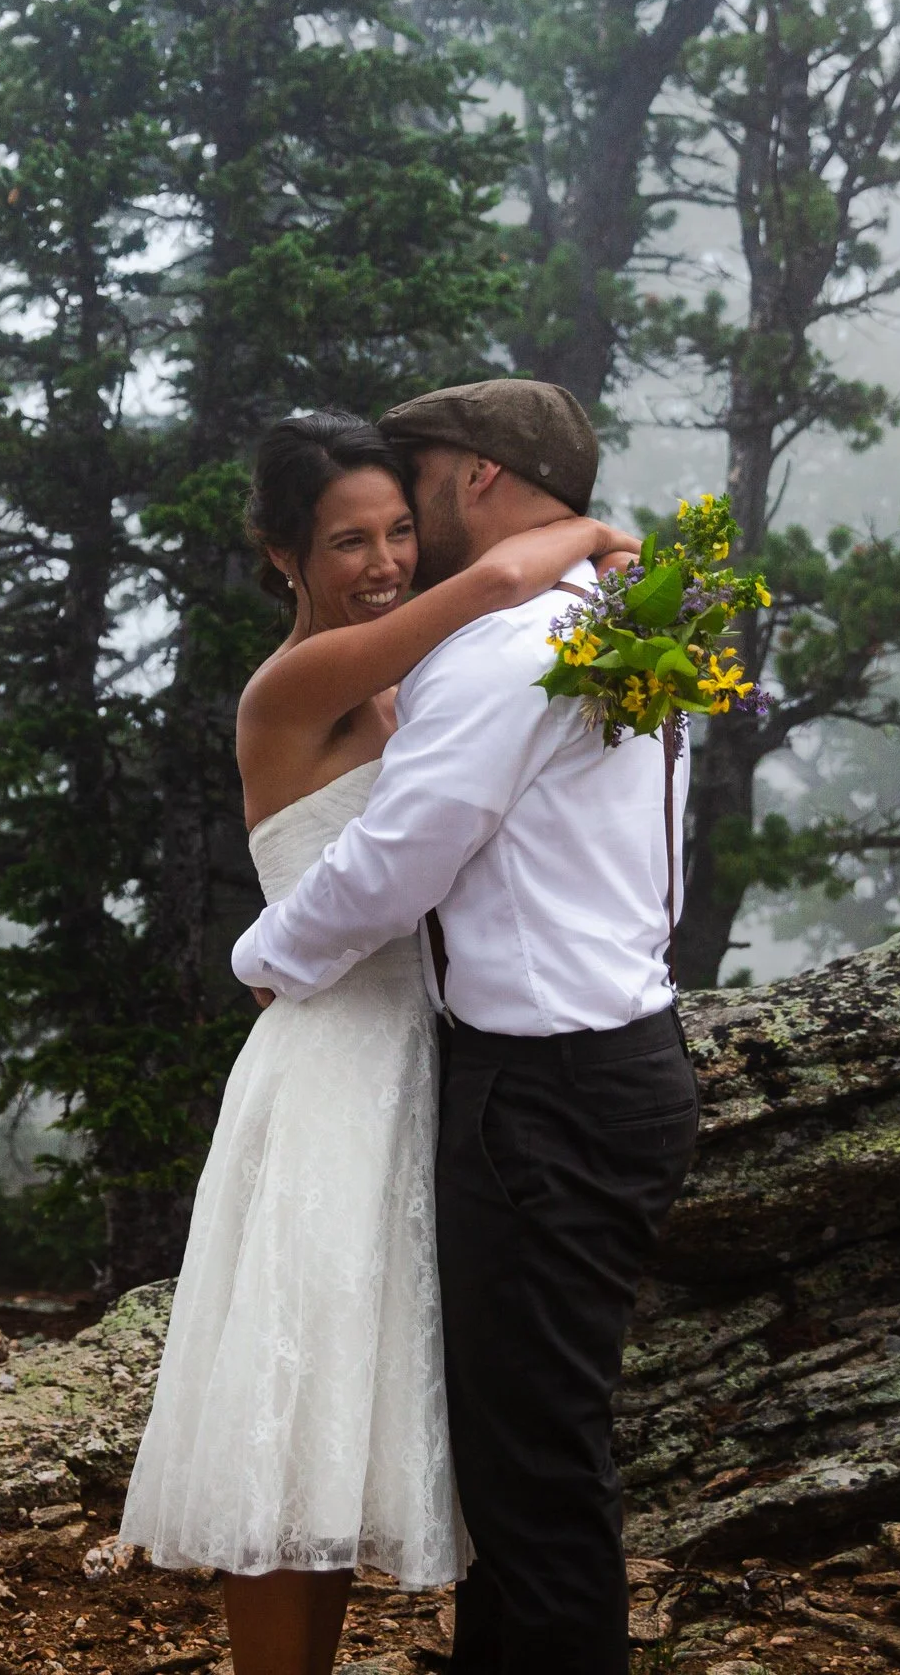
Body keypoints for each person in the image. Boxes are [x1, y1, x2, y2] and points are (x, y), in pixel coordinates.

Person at [118, 409, 636, 1675]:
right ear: (283, 554)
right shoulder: (299, 682)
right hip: (330, 1080)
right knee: (288, 1433)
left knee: (345, 1427)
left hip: (422, 1066)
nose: (387, 559)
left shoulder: (404, 677)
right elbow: (505, 576)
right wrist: (598, 533)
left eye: (401, 528)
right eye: (349, 539)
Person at [234, 378, 701, 1675]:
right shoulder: (612, 615)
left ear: (480, 478)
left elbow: (403, 858)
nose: (402, 541)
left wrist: (261, 955)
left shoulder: (513, 644)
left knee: (531, 1477)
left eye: (417, 488)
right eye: (350, 534)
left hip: (539, 1091)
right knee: (512, 1466)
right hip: (575, 1062)